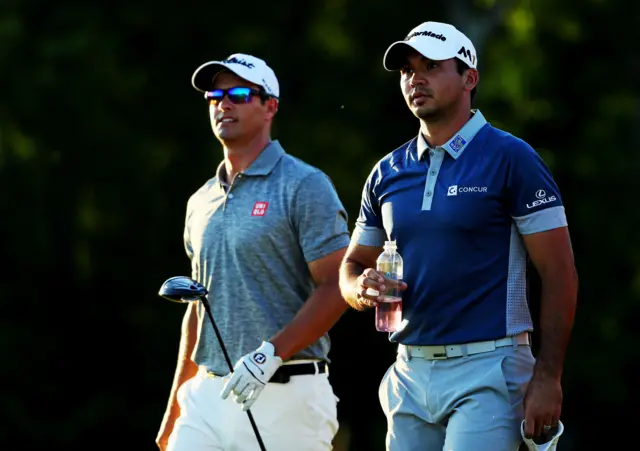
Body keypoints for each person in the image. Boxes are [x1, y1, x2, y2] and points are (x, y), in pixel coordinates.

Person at [338, 21, 578, 451]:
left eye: (431, 65)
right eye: (407, 70)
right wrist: (361, 288)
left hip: (490, 368)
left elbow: (559, 272)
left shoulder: (511, 157)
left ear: (470, 78)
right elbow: (352, 266)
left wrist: (548, 377)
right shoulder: (387, 171)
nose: (416, 78)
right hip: (408, 372)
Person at [156, 53, 351, 451]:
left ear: (270, 107)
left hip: (287, 393)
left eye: (239, 94)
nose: (223, 104)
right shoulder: (201, 201)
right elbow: (198, 308)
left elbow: (337, 285)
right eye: (214, 96)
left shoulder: (304, 185)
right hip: (207, 396)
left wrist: (270, 354)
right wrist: (175, 407)